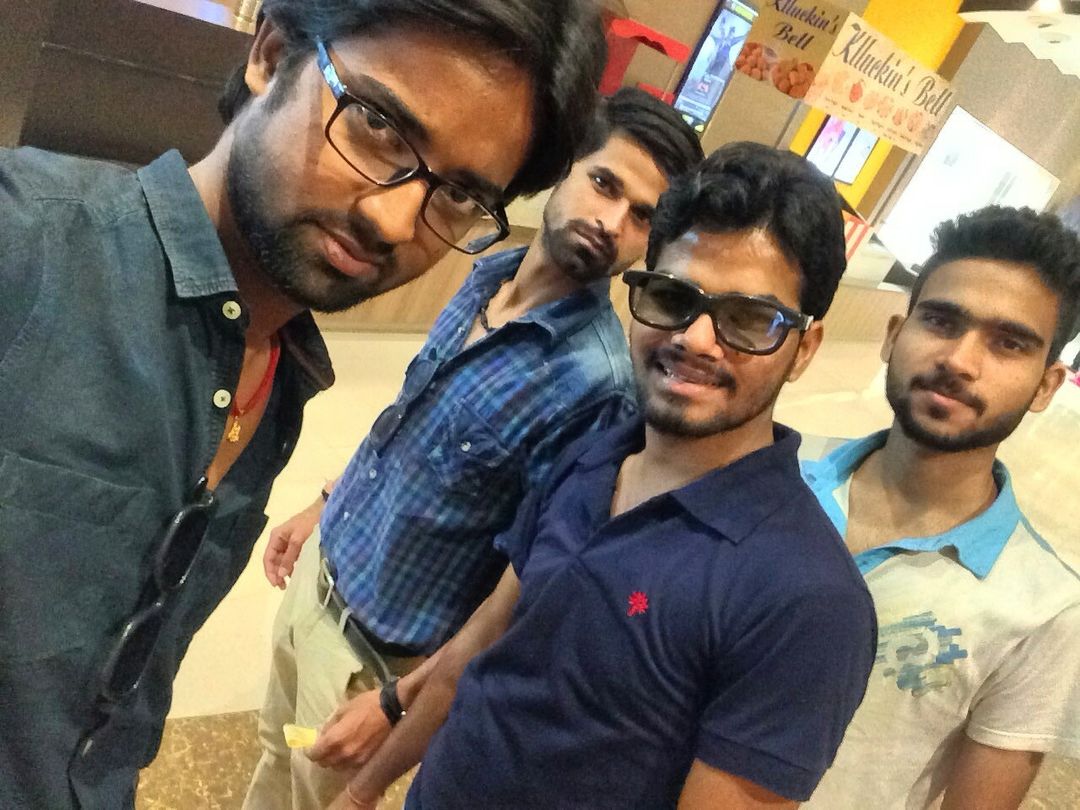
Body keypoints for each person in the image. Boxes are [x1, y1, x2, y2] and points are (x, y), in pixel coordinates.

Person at [0, 0, 607, 806]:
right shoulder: (26, 247)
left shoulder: (281, 377)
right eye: (378, 125)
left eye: (460, 194)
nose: (393, 219)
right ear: (271, 52)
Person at [328, 143, 878, 810]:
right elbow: (482, 644)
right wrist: (363, 790)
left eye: (749, 319)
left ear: (804, 347)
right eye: (674, 297)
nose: (696, 339)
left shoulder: (805, 598)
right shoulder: (595, 454)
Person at [242, 87, 704, 808]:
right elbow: (412, 417)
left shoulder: (598, 390)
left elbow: (522, 590)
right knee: (272, 763)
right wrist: (326, 503)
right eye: (605, 183)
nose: (612, 222)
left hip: (374, 666)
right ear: (565, 169)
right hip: (318, 583)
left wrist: (398, 704)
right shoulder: (488, 272)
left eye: (642, 216)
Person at [800, 206, 1080, 809]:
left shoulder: (1046, 610)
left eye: (1008, 343)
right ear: (894, 334)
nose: (959, 360)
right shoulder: (776, 473)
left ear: (1045, 385)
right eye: (941, 320)